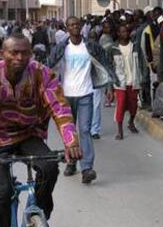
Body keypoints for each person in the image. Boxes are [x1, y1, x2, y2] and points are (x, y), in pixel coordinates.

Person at [0, 33, 81, 227]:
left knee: (50, 168)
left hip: (27, 134)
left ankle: (38, 215)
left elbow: (60, 109)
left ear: (31, 54)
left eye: (25, 53)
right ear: (2, 53)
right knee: (1, 192)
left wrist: (72, 143)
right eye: (14, 52)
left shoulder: (44, 75)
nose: (19, 58)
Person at [50, 16, 117, 183]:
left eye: (76, 25)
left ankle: (87, 168)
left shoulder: (91, 46)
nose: (74, 27)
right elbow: (49, 67)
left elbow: (106, 64)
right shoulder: (61, 48)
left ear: (80, 27)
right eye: (71, 25)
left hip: (86, 93)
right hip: (66, 96)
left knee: (85, 131)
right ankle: (71, 162)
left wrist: (110, 86)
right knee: (69, 131)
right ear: (67, 28)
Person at [108, 24, 142, 140]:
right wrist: (109, 87)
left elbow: (141, 63)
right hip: (120, 82)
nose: (125, 34)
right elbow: (110, 68)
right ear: (118, 33)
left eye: (127, 31)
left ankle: (131, 121)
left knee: (133, 105)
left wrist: (143, 79)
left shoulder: (135, 46)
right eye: (122, 32)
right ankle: (119, 130)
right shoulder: (113, 48)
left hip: (134, 80)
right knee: (121, 105)